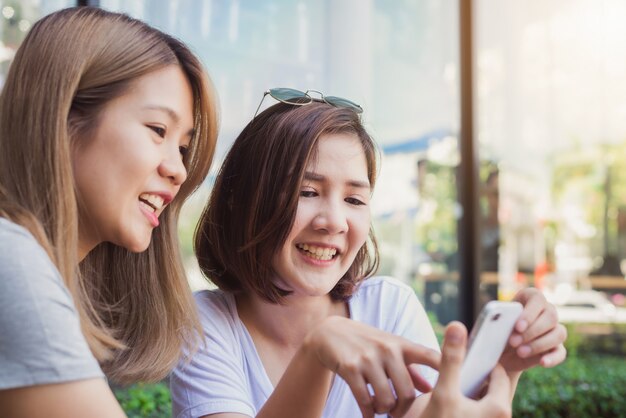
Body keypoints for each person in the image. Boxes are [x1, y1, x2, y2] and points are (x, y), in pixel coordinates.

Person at [170, 90, 567, 417]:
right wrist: (318, 351)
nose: (334, 221)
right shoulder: (205, 326)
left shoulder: (388, 306)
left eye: (355, 199)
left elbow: (431, 410)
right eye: (306, 192)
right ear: (243, 201)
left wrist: (503, 370)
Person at [0, 7, 218, 417]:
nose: (178, 170)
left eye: (183, 147)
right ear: (64, 118)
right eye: (158, 130)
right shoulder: (12, 259)